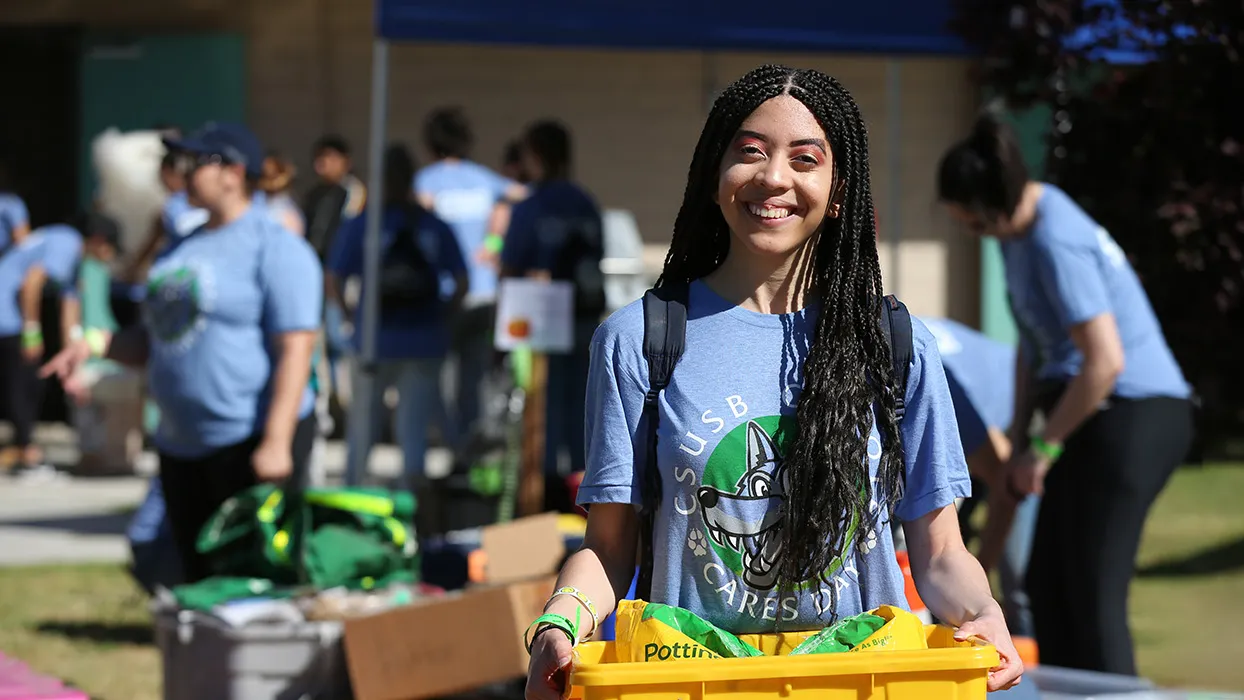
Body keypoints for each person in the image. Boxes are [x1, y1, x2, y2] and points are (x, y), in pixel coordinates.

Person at [524, 65, 1022, 700]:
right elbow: (608, 548)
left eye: (805, 158)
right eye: (750, 152)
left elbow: (941, 551)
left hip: (858, 682)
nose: (774, 177)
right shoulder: (638, 340)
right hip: (693, 683)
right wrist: (559, 622)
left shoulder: (894, 344)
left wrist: (984, 612)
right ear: (715, 173)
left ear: (840, 190)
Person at [937, 112, 1194, 676]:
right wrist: (1027, 431)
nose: (976, 235)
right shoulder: (1016, 235)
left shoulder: (1054, 237)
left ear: (993, 204)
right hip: (1084, 414)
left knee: (1092, 587)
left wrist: (1043, 449)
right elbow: (1034, 347)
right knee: (1048, 585)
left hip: (1134, 412)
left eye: (974, 224)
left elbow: (1104, 362)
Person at [43, 122, 323, 583]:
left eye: (195, 163)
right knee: (196, 576)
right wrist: (93, 344)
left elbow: (296, 348)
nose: (181, 173)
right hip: (182, 444)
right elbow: (155, 339)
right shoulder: (182, 247)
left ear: (234, 172)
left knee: (251, 580)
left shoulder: (274, 247)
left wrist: (275, 441)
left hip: (245, 440)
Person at [328, 143, 468, 491]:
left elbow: (333, 278)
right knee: (414, 432)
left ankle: (353, 496)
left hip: (375, 340)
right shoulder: (433, 225)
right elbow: (462, 281)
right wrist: (443, 315)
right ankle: (413, 508)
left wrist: (352, 318)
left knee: (363, 430)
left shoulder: (364, 224)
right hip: (423, 340)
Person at [500, 119, 606, 513]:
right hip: (583, 319)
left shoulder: (531, 205)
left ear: (536, 155)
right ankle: (580, 496)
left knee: (540, 411)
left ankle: (542, 497)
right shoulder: (585, 202)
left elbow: (510, 266)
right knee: (583, 409)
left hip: (539, 321)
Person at [921, 317, 1036, 640]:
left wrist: (979, 578)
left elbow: (1005, 479)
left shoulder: (933, 382)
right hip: (978, 411)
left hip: (1013, 423)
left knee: (1020, 583)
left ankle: (1026, 651)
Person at [415, 107, 526, 434]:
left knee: (441, 375)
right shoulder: (483, 179)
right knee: (475, 376)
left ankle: (452, 441)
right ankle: (474, 439)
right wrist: (494, 242)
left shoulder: (426, 182)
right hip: (484, 291)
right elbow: (523, 196)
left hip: (444, 293)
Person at [0, 234, 49, 474]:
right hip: (9, 321)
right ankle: (25, 448)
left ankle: (22, 445)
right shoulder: (66, 243)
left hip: (8, 319)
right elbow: (31, 284)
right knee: (22, 384)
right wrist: (31, 333)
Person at [259, 151, 305, 237]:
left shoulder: (290, 211)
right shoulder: (256, 200)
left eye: (274, 176)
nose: (271, 183)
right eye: (265, 175)